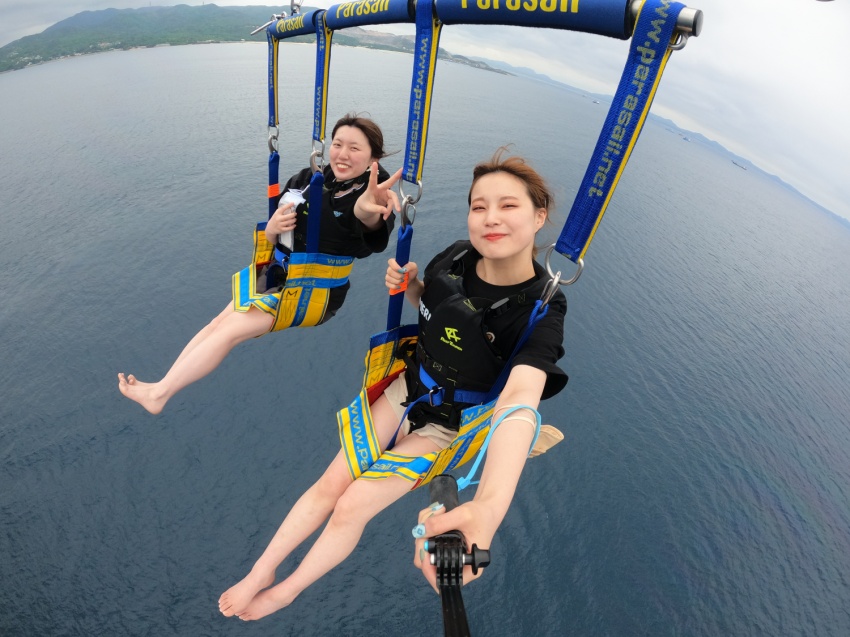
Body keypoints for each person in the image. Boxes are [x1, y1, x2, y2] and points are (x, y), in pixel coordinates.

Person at [217, 149, 567, 621]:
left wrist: (488, 506)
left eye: (508, 206)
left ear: (539, 216)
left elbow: (520, 400)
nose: (490, 219)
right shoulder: (458, 257)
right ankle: (262, 571)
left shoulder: (541, 308)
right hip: (407, 387)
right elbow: (439, 311)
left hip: (450, 423)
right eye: (479, 206)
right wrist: (414, 285)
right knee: (330, 484)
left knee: (351, 506)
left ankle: (288, 590)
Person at [118, 114, 402, 414]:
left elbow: (366, 223)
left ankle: (160, 395)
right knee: (218, 324)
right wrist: (273, 228)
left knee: (230, 332)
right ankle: (163, 383)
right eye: (337, 144)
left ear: (374, 157)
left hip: (313, 292)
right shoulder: (309, 179)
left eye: (355, 148)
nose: (342, 154)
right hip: (279, 274)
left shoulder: (374, 196)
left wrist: (368, 212)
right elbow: (273, 230)